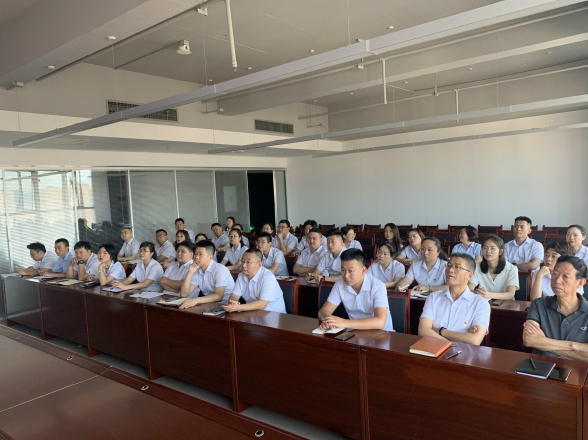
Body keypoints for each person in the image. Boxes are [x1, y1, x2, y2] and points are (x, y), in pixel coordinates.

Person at [523, 256, 588, 360]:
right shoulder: (539, 304)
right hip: (541, 365)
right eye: (555, 274)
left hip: (576, 368)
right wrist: (574, 346)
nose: (557, 281)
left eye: (566, 277)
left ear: (580, 283)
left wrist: (544, 342)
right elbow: (529, 340)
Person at [418, 253, 490, 346]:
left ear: (469, 275)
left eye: (457, 267)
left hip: (464, 353)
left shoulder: (480, 303)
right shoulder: (433, 297)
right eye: (449, 266)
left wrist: (440, 331)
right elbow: (423, 331)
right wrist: (452, 343)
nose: (451, 270)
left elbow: (474, 340)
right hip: (434, 349)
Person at [319, 249, 393, 331]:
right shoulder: (339, 284)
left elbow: (380, 322)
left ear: (363, 270)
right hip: (355, 332)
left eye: (351, 271)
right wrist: (328, 321)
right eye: (343, 270)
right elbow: (324, 311)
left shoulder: (378, 286)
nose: (346, 276)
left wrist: (345, 323)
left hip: (381, 333)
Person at [221, 248, 286, 313]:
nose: (244, 265)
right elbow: (234, 295)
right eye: (242, 261)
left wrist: (238, 307)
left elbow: (263, 304)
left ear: (259, 265)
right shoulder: (241, 276)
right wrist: (232, 303)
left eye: (248, 262)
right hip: (252, 312)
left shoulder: (268, 277)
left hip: (272, 313)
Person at [179, 240, 235, 308]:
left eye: (200, 254)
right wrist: (190, 272)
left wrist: (196, 300)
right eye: (196, 253)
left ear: (210, 257)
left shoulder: (220, 270)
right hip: (209, 304)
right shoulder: (196, 269)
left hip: (226, 305)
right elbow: (184, 294)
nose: (196, 257)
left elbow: (219, 296)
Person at [468, 235, 519, 300]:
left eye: (492, 248)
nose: (488, 251)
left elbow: (510, 294)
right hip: (484, 303)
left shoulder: (512, 269)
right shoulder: (477, 267)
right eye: (485, 248)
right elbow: (469, 289)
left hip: (506, 304)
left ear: (500, 252)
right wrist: (478, 292)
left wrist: (488, 294)